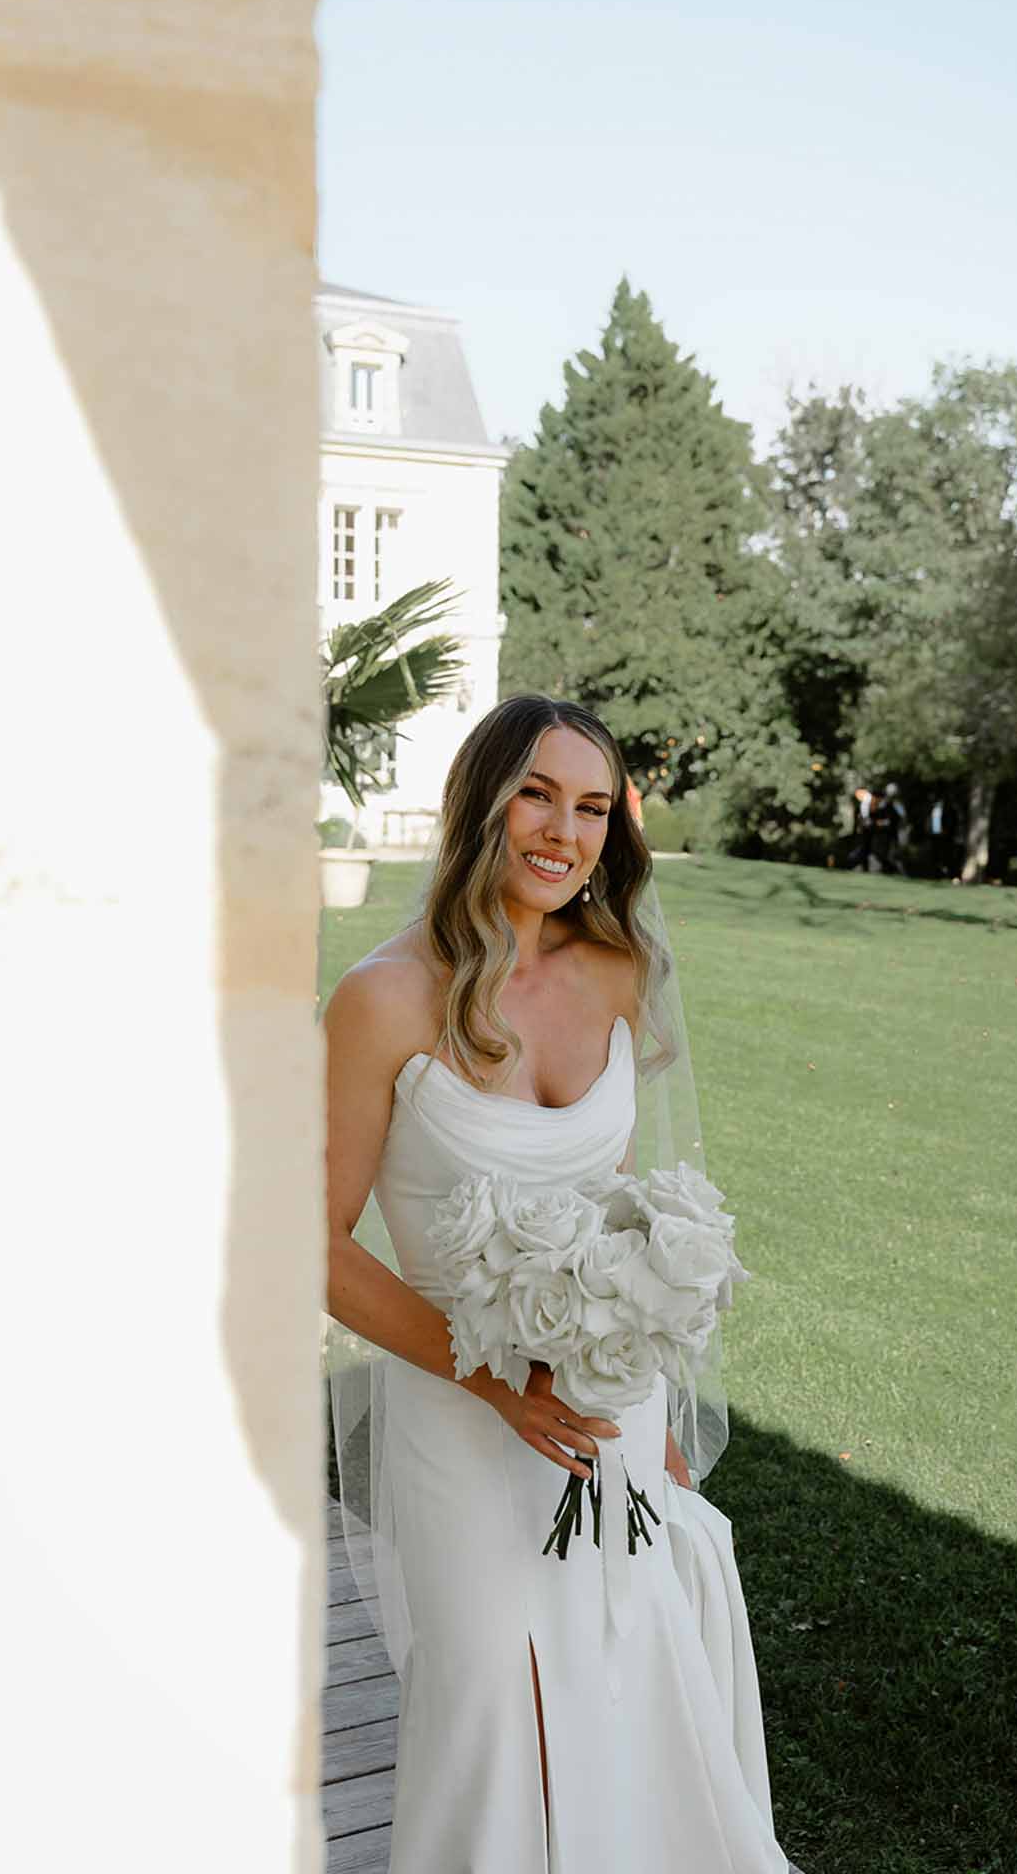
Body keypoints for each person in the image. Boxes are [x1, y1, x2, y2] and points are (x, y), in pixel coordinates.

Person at [322, 694, 787, 1874]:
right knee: (490, 1695)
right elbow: (312, 1239)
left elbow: (616, 1201)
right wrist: (496, 1383)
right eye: (537, 791)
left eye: (591, 805)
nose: (562, 829)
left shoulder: (621, 969)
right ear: (479, 799)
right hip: (458, 1407)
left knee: (623, 1673)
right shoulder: (382, 998)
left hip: (601, 1410)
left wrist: (652, 1397)